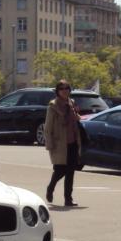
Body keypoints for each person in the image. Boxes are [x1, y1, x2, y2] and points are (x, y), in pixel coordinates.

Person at [44, 79, 83, 207]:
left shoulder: (71, 103)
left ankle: (68, 199)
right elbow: (48, 127)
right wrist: (49, 144)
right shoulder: (53, 106)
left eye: (67, 88)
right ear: (58, 91)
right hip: (59, 143)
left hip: (72, 141)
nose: (65, 91)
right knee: (60, 170)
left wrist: (77, 117)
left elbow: (75, 119)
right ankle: (51, 187)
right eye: (62, 89)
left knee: (71, 171)